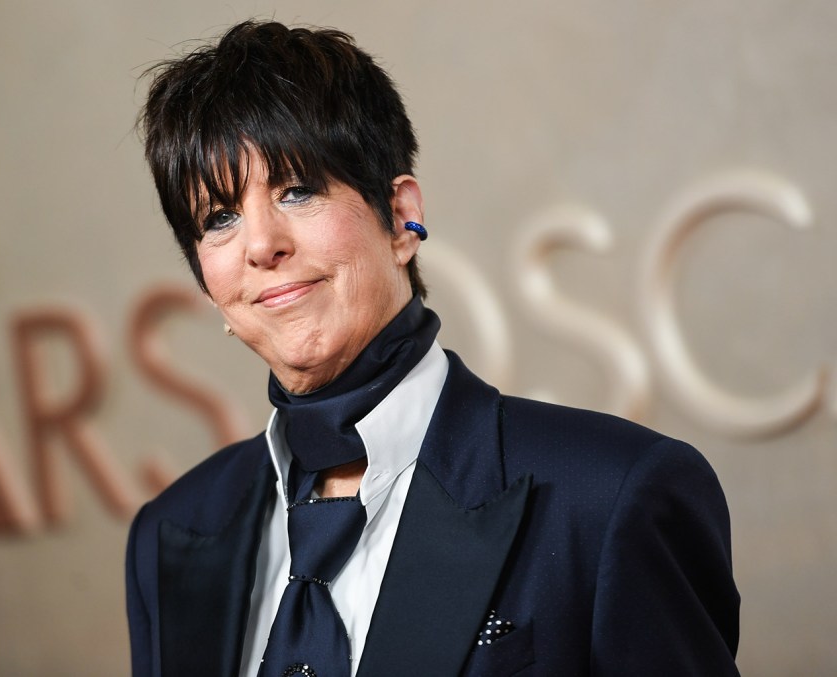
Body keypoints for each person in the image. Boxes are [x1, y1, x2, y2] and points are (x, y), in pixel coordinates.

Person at [126, 20, 740, 676]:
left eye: (297, 190)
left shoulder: (612, 496)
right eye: (219, 217)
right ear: (207, 283)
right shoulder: (169, 534)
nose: (261, 245)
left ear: (401, 218)